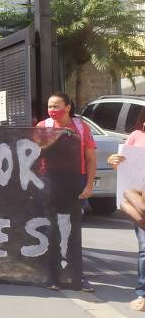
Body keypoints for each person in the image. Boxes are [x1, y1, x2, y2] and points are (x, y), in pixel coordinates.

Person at [36, 92, 96, 292]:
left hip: (75, 181)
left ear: (68, 106)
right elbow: (32, 153)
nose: (52, 110)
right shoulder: (43, 127)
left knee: (73, 231)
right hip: (50, 180)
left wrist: (88, 185)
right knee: (51, 229)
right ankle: (53, 275)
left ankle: (77, 275)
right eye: (49, 107)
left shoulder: (81, 127)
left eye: (56, 106)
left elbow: (90, 158)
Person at [107, 108, 145, 311]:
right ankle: (143, 294)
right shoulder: (136, 136)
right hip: (140, 200)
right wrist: (113, 161)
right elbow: (121, 164)